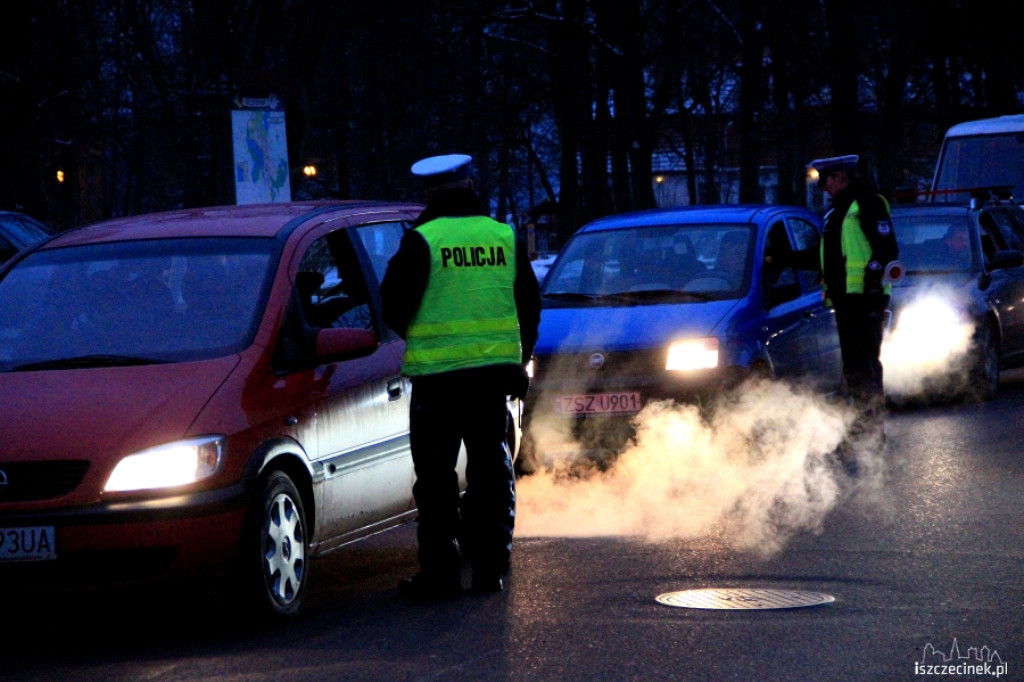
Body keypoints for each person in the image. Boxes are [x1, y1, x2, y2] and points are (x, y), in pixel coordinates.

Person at [381, 153, 541, 599]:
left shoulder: (422, 241)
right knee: (490, 474)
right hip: (491, 382)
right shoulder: (502, 236)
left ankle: (441, 575)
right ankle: (491, 570)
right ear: (471, 184)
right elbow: (529, 305)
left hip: (437, 382)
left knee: (436, 481)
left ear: (428, 193)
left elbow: (393, 305)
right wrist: (519, 358)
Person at [811, 154, 899, 463]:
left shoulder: (867, 203)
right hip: (847, 301)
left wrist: (872, 281)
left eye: (826, 181)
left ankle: (869, 433)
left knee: (864, 367)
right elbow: (829, 257)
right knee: (855, 367)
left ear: (841, 177)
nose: (823, 187)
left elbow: (887, 250)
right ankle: (863, 430)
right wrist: (780, 258)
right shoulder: (837, 211)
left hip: (865, 299)